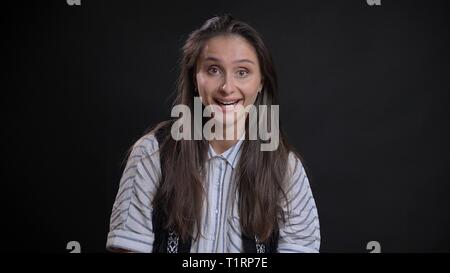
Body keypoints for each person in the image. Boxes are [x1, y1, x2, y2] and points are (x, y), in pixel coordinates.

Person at [106, 14, 320, 253]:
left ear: (261, 82)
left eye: (242, 72)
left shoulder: (285, 168)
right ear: (194, 78)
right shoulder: (152, 153)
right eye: (213, 69)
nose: (227, 88)